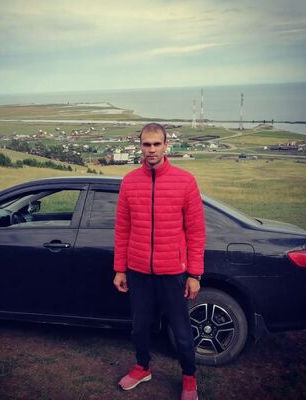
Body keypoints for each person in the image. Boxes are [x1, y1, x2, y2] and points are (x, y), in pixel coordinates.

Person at [113, 123, 206, 400]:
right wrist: (120, 269)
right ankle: (142, 367)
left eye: (156, 144)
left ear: (166, 145)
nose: (151, 149)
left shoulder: (185, 181)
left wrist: (194, 274)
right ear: (140, 146)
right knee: (139, 327)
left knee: (181, 331)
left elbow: (196, 231)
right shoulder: (129, 181)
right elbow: (122, 229)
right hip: (138, 270)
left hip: (173, 272)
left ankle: (189, 378)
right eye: (146, 144)